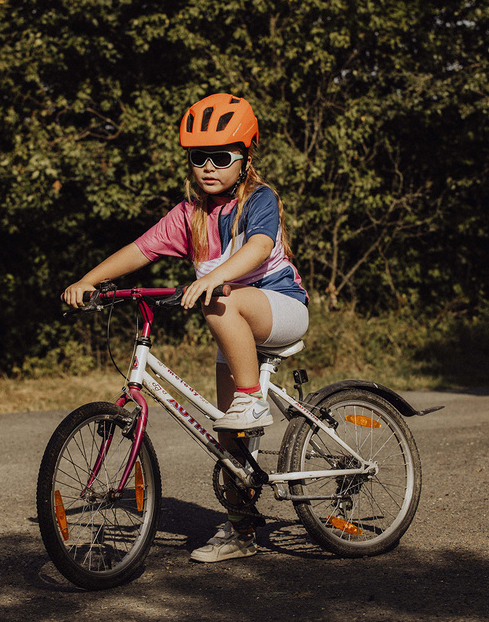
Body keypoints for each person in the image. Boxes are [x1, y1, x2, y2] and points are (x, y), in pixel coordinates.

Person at [62, 93, 308, 562]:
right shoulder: (188, 216)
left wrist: (215, 276)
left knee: (220, 301)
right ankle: (240, 532)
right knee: (228, 439)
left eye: (221, 157)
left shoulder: (259, 199)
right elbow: (140, 250)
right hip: (232, 320)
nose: (209, 167)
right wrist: (90, 281)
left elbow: (257, 247)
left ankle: (251, 399)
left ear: (246, 157)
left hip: (281, 307)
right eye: (199, 157)